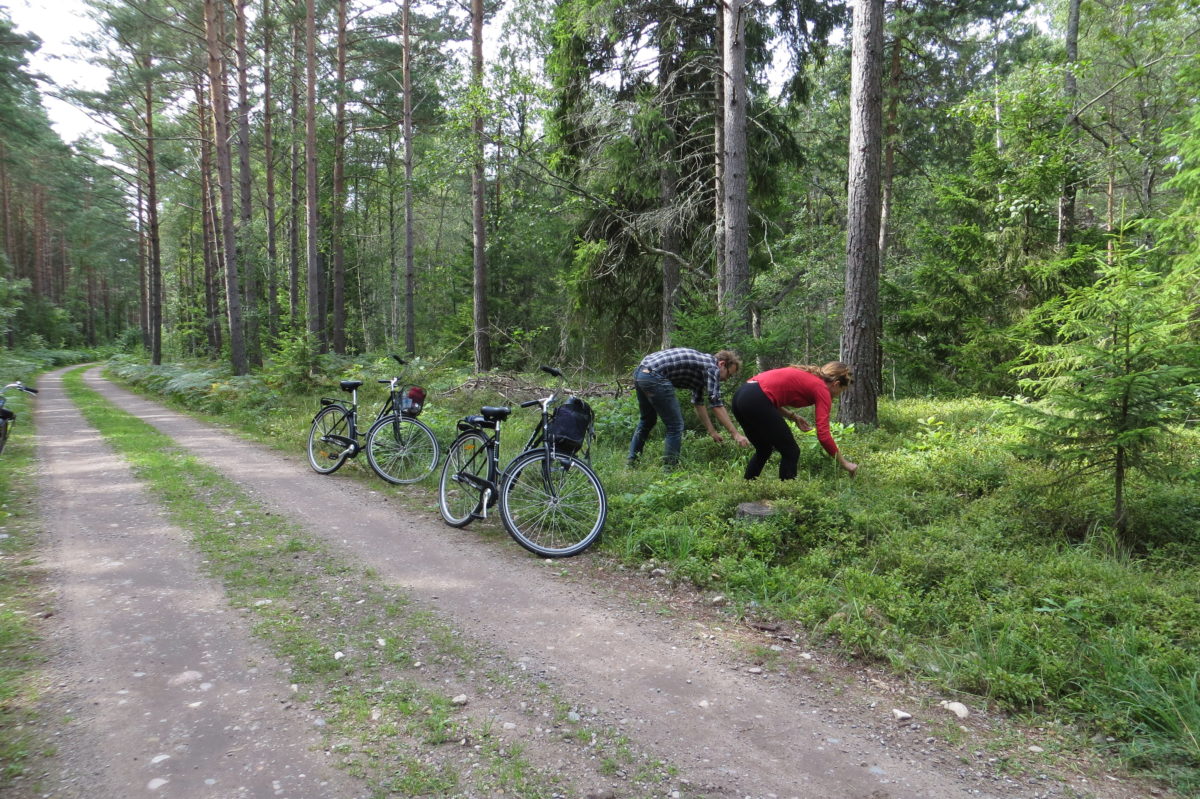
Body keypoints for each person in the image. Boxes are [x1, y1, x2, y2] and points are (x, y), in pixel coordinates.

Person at [730, 361, 858, 480]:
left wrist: (793, 417)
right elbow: (823, 435)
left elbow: (768, 395)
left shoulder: (810, 377)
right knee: (791, 451)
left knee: (764, 449)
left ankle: (746, 490)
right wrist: (845, 463)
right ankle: (786, 500)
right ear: (836, 384)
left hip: (741, 397)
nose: (838, 394)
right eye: (841, 390)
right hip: (755, 399)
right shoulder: (822, 389)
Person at [627, 347, 750, 466]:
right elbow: (716, 404)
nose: (727, 379)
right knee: (675, 425)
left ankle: (632, 462)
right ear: (722, 364)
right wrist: (735, 434)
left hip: (641, 373)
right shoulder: (713, 367)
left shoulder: (702, 368)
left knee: (647, 420)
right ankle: (670, 470)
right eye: (728, 374)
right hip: (654, 375)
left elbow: (698, 403)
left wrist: (712, 431)